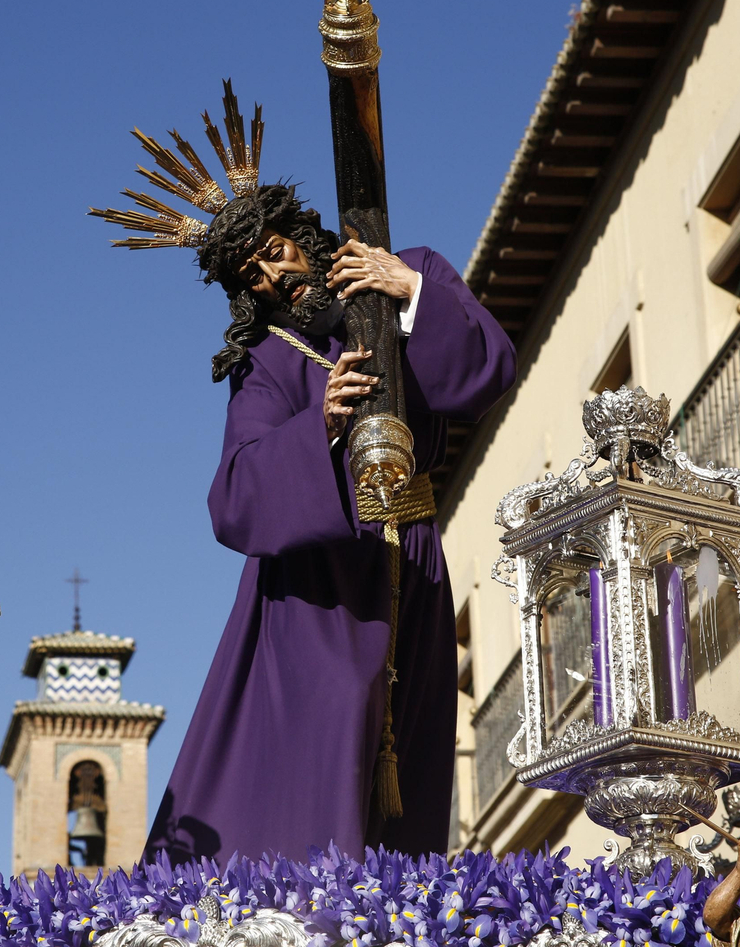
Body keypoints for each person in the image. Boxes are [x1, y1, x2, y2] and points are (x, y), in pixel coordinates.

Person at [91, 85, 515, 862]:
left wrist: (409, 292)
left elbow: (484, 374)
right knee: (331, 740)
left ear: (300, 233)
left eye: (274, 250)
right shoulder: (267, 364)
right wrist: (316, 424)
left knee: (414, 740)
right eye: (251, 273)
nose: (273, 275)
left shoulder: (405, 272)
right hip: (321, 586)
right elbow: (235, 494)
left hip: (413, 557)